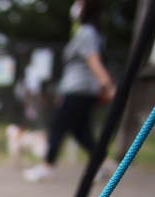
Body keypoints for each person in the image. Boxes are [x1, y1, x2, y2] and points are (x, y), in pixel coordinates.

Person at [23, 0, 117, 183]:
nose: (76, 6)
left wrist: (108, 85)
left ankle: (46, 166)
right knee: (81, 131)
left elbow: (94, 61)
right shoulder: (93, 33)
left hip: (78, 90)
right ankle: (104, 162)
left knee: (58, 127)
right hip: (81, 90)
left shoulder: (86, 33)